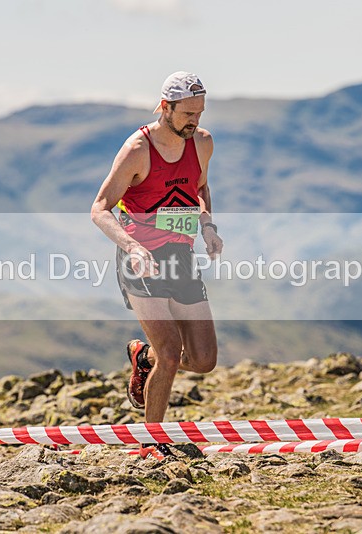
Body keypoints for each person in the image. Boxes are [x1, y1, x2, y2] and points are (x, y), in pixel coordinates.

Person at [91, 72, 224, 459]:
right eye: (186, 114)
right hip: (141, 261)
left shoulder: (202, 143)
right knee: (170, 351)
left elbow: (199, 189)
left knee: (203, 360)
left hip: (180, 257)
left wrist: (208, 227)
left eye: (199, 114)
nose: (194, 121)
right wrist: (132, 247)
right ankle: (152, 442)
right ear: (165, 107)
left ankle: (141, 357)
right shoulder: (137, 149)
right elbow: (99, 209)